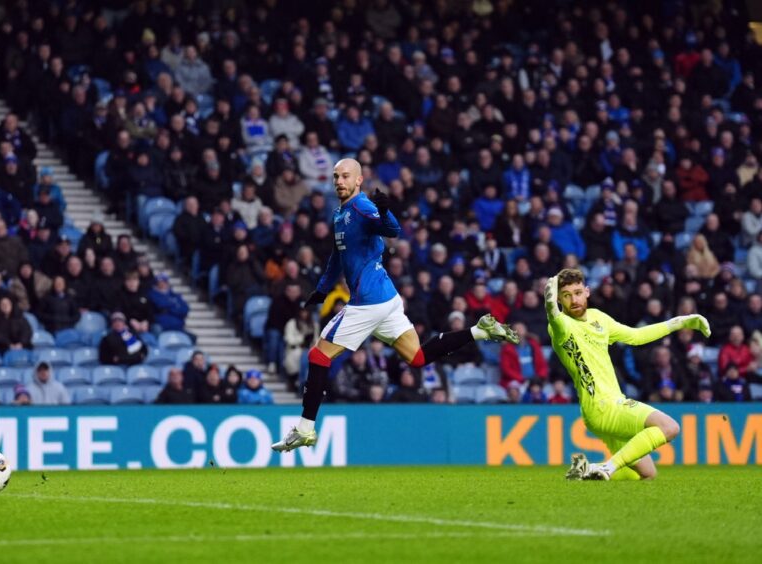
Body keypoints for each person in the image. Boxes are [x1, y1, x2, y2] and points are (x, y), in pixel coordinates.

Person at [273, 159, 518, 452]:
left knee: (318, 356)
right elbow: (337, 258)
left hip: (368, 302)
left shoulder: (362, 207)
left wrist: (385, 210)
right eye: (336, 176)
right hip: (387, 299)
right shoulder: (339, 214)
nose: (339, 181)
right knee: (417, 357)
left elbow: (392, 229)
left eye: (345, 176)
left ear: (359, 180)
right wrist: (323, 289)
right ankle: (479, 331)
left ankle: (305, 428)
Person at [546, 269, 711, 481]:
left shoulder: (599, 318)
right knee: (670, 427)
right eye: (566, 296)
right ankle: (607, 467)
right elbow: (555, 319)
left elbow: (636, 336)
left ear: (587, 292)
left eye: (577, 292)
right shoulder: (562, 326)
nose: (574, 300)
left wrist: (680, 322)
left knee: (647, 474)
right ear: (559, 299)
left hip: (603, 408)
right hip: (604, 406)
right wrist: (550, 306)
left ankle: (585, 472)